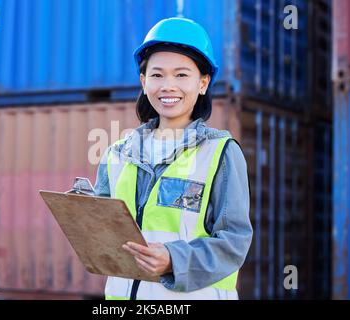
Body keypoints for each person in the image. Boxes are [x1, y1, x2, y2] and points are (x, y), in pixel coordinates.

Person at [94, 17, 253, 300]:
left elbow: (234, 243)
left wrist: (173, 260)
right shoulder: (116, 153)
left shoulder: (221, 153)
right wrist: (80, 211)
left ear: (203, 83)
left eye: (181, 75)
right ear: (143, 82)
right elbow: (101, 236)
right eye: (157, 75)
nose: (168, 85)